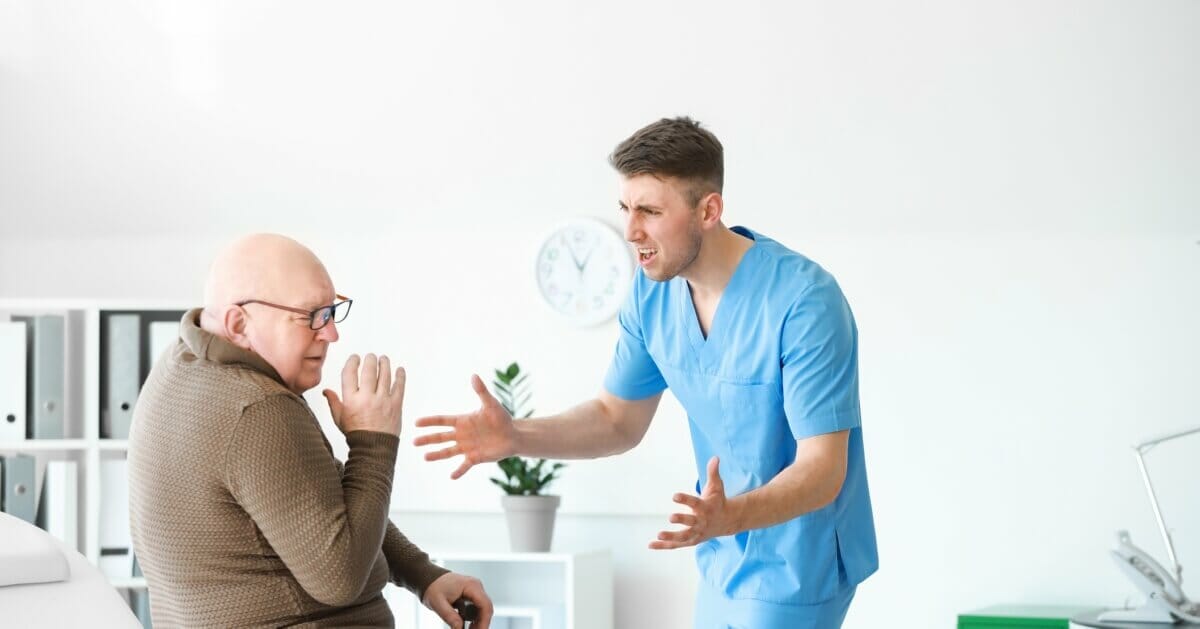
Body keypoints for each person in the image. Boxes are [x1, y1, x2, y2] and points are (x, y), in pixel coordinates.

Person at [414, 118, 877, 628]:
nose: (631, 231)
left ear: (709, 210)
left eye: (651, 211)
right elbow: (617, 419)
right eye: (625, 208)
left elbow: (824, 469)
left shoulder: (804, 302)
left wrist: (731, 517)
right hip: (721, 553)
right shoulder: (651, 293)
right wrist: (516, 435)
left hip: (798, 561)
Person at [128, 233, 493, 629]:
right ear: (238, 323)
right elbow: (340, 579)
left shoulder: (182, 363)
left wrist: (424, 575)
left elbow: (320, 501)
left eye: (332, 311)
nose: (331, 333)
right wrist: (374, 442)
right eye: (312, 316)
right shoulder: (259, 409)